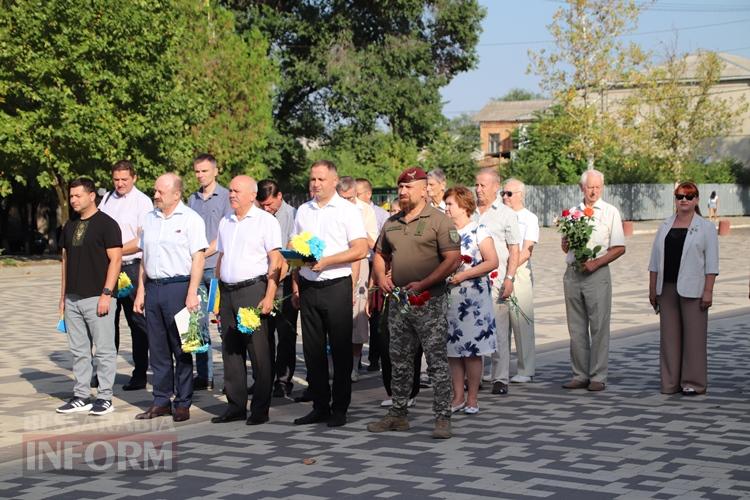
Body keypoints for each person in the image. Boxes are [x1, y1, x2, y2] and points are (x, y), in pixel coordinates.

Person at [367, 167, 460, 439]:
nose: (402, 192)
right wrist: (381, 277)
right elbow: (379, 254)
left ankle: (442, 416)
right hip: (399, 302)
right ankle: (398, 414)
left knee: (436, 361)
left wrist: (424, 283)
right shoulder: (392, 222)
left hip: (429, 301)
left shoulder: (439, 221)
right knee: (399, 360)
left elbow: (453, 258)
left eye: (408, 187)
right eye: (400, 188)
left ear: (424, 189)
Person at [291, 160, 368, 428]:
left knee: (340, 349)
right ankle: (320, 405)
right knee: (312, 351)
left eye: (321, 179)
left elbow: (360, 248)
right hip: (309, 284)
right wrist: (296, 280)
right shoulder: (303, 210)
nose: (315, 184)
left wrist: (329, 261)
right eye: (312, 179)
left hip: (336, 283)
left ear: (334, 181)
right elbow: (295, 246)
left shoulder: (347, 210)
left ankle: (340, 408)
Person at [134, 173, 208, 422]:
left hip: (180, 288)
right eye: (155, 190)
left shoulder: (191, 220)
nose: (155, 195)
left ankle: (183, 401)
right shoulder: (149, 218)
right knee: (157, 348)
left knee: (182, 347)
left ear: (176, 194)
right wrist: (141, 290)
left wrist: (192, 293)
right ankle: (161, 400)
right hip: (154, 288)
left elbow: (198, 258)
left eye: (160, 192)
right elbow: (144, 258)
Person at [211, 176, 282, 424]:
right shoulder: (225, 222)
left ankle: (260, 409)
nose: (231, 194)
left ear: (252, 195)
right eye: (230, 190)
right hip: (228, 291)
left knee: (258, 351)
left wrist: (270, 294)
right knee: (231, 350)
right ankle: (236, 406)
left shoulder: (265, 221)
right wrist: (216, 300)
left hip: (252, 291)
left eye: (237, 191)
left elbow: (276, 260)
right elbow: (221, 259)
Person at [57, 178, 122, 415]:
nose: (73, 200)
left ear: (91, 196)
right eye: (71, 196)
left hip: (98, 297)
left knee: (104, 350)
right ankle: (81, 395)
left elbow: (116, 260)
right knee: (79, 350)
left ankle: (105, 397)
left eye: (77, 195)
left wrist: (107, 293)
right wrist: (63, 295)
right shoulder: (70, 225)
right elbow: (65, 260)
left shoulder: (107, 224)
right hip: (73, 297)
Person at [649, 182, 719, 395]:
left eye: (690, 196)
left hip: (694, 289)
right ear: (675, 200)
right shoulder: (665, 225)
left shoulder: (705, 227)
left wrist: (708, 290)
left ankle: (693, 383)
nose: (684, 200)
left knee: (694, 338)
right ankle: (670, 382)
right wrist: (653, 289)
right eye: (680, 196)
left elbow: (712, 263)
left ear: (697, 200)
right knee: (669, 338)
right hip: (667, 288)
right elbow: (654, 261)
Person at [561, 169, 626, 392]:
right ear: (582, 188)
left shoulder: (610, 212)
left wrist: (596, 263)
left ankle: (598, 375)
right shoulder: (572, 212)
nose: (594, 191)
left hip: (596, 274)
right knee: (576, 328)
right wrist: (566, 244)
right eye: (590, 187)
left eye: (598, 187)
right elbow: (565, 244)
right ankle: (579, 374)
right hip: (573, 273)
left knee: (598, 327)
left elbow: (619, 247)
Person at [98, 160, 153, 391]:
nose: (120, 184)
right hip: (110, 266)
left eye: (124, 180)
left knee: (137, 322)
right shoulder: (107, 199)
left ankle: (140, 373)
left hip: (131, 266)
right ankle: (104, 373)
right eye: (116, 179)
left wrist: (117, 249)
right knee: (106, 321)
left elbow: (143, 239)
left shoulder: (143, 202)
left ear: (134, 178)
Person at [444, 187, 498, 415]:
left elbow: (492, 261)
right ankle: (457, 396)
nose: (446, 208)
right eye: (445, 204)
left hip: (473, 301)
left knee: (472, 351)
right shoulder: (445, 232)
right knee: (453, 349)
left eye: (450, 205)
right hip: (450, 298)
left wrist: (465, 274)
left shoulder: (478, 230)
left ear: (464, 206)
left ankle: (473, 398)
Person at [474, 167, 520, 396]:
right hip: (471, 282)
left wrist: (510, 278)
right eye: (477, 184)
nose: (478, 189)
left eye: (483, 185)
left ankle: (500, 378)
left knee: (499, 331)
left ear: (495, 186)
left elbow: (514, 249)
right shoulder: (469, 211)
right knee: (475, 329)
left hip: (496, 280)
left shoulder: (506, 214)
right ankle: (477, 376)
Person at [188, 153, 231, 391]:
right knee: (198, 322)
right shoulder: (192, 199)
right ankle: (204, 375)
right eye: (197, 171)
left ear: (215, 171)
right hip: (196, 270)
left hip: (216, 269)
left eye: (205, 171)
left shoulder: (226, 197)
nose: (201, 175)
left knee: (222, 324)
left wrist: (203, 252)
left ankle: (230, 377)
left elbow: (224, 233)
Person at [375, 198, 422, 408]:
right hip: (391, 293)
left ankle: (409, 390)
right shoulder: (389, 226)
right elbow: (378, 254)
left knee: (411, 345)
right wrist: (380, 276)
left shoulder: (428, 226)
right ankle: (392, 390)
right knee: (386, 340)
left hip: (416, 292)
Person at [256, 179, 298, 398]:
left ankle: (283, 380)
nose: (266, 209)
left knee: (285, 334)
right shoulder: (257, 215)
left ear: (279, 197)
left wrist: (276, 281)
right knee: (263, 334)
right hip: (260, 279)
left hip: (284, 281)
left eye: (270, 205)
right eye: (262, 205)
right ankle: (264, 377)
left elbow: (290, 255)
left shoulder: (292, 216)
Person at [337, 176, 378, 382]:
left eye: (351, 198)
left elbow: (373, 242)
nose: (347, 202)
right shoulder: (332, 208)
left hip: (360, 262)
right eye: (343, 198)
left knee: (358, 316)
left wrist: (358, 232)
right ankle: (337, 363)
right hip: (336, 263)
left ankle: (354, 365)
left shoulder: (365, 210)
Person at [501, 178, 539, 383]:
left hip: (519, 272)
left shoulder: (528, 218)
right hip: (499, 271)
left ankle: (526, 369)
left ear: (520, 195)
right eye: (503, 193)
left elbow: (527, 250)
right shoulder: (498, 216)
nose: (505, 197)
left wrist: (511, 269)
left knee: (521, 320)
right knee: (500, 322)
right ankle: (500, 369)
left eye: (509, 193)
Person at [356, 178, 389, 372]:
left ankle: (375, 357)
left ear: (368, 194)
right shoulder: (350, 211)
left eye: (358, 194)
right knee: (357, 317)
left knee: (376, 314)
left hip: (375, 264)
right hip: (357, 265)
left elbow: (380, 245)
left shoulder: (381, 214)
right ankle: (356, 358)